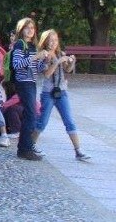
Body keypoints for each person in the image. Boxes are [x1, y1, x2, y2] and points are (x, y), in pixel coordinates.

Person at [35, 30, 91, 162]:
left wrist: (71, 62)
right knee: (42, 122)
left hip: (62, 92)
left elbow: (67, 69)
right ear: (45, 42)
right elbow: (47, 74)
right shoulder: (43, 55)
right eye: (50, 40)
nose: (53, 43)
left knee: (69, 121)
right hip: (48, 93)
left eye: (55, 40)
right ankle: (30, 146)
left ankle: (78, 150)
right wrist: (57, 62)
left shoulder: (60, 53)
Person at [11, 17, 47, 160]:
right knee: (31, 115)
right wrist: (35, 57)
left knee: (30, 114)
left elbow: (38, 69)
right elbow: (17, 64)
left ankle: (25, 147)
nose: (30, 30)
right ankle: (25, 149)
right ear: (21, 30)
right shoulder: (20, 44)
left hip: (31, 82)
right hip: (23, 82)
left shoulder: (33, 46)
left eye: (32, 28)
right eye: (27, 27)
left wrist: (44, 60)